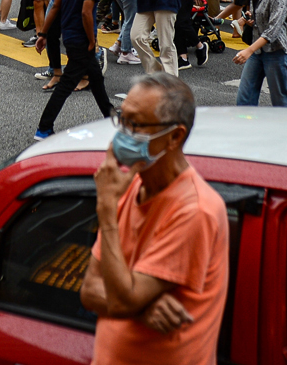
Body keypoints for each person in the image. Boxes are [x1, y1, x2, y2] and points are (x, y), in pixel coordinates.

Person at [79, 73, 228, 365]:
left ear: (175, 137)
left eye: (135, 125)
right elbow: (89, 291)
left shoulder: (195, 210)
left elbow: (120, 300)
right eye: (122, 120)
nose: (123, 133)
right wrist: (141, 308)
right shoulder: (131, 185)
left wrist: (106, 210)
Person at [33, 0, 112, 140]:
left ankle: (110, 116)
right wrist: (92, 40)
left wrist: (42, 33)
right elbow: (87, 12)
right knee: (68, 83)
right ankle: (43, 127)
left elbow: (55, 7)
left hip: (69, 35)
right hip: (82, 39)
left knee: (96, 78)